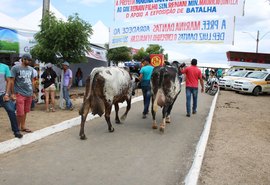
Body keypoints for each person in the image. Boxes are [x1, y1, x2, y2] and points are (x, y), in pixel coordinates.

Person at [10, 54, 36, 133]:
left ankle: (23, 126)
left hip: (29, 93)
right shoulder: (15, 68)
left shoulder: (31, 69)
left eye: (30, 60)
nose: (29, 61)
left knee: (25, 111)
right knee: (20, 111)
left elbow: (32, 81)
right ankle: (17, 127)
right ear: (23, 59)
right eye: (27, 60)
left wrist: (33, 92)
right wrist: (12, 93)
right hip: (19, 93)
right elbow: (12, 81)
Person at [0, 62, 23, 138]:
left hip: (2, 94)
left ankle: (16, 131)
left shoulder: (4, 67)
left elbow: (9, 81)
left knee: (11, 110)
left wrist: (7, 94)